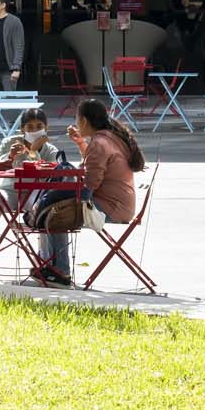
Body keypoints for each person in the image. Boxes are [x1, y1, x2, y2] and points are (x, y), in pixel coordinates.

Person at [36, 96, 145, 287]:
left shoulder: (100, 142)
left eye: (78, 120)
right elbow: (95, 168)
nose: (77, 124)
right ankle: (54, 268)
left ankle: (60, 272)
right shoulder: (110, 137)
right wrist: (80, 143)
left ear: (84, 121)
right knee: (56, 207)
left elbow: (91, 183)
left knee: (57, 213)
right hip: (120, 205)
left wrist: (64, 196)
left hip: (111, 208)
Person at [0, 105, 61, 271]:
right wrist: (10, 156)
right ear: (22, 129)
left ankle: (44, 260)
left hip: (34, 195)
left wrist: (34, 152)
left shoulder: (51, 150)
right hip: (10, 191)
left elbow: (50, 176)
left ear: (46, 128)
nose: (35, 130)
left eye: (39, 127)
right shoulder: (10, 142)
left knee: (46, 207)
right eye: (30, 127)